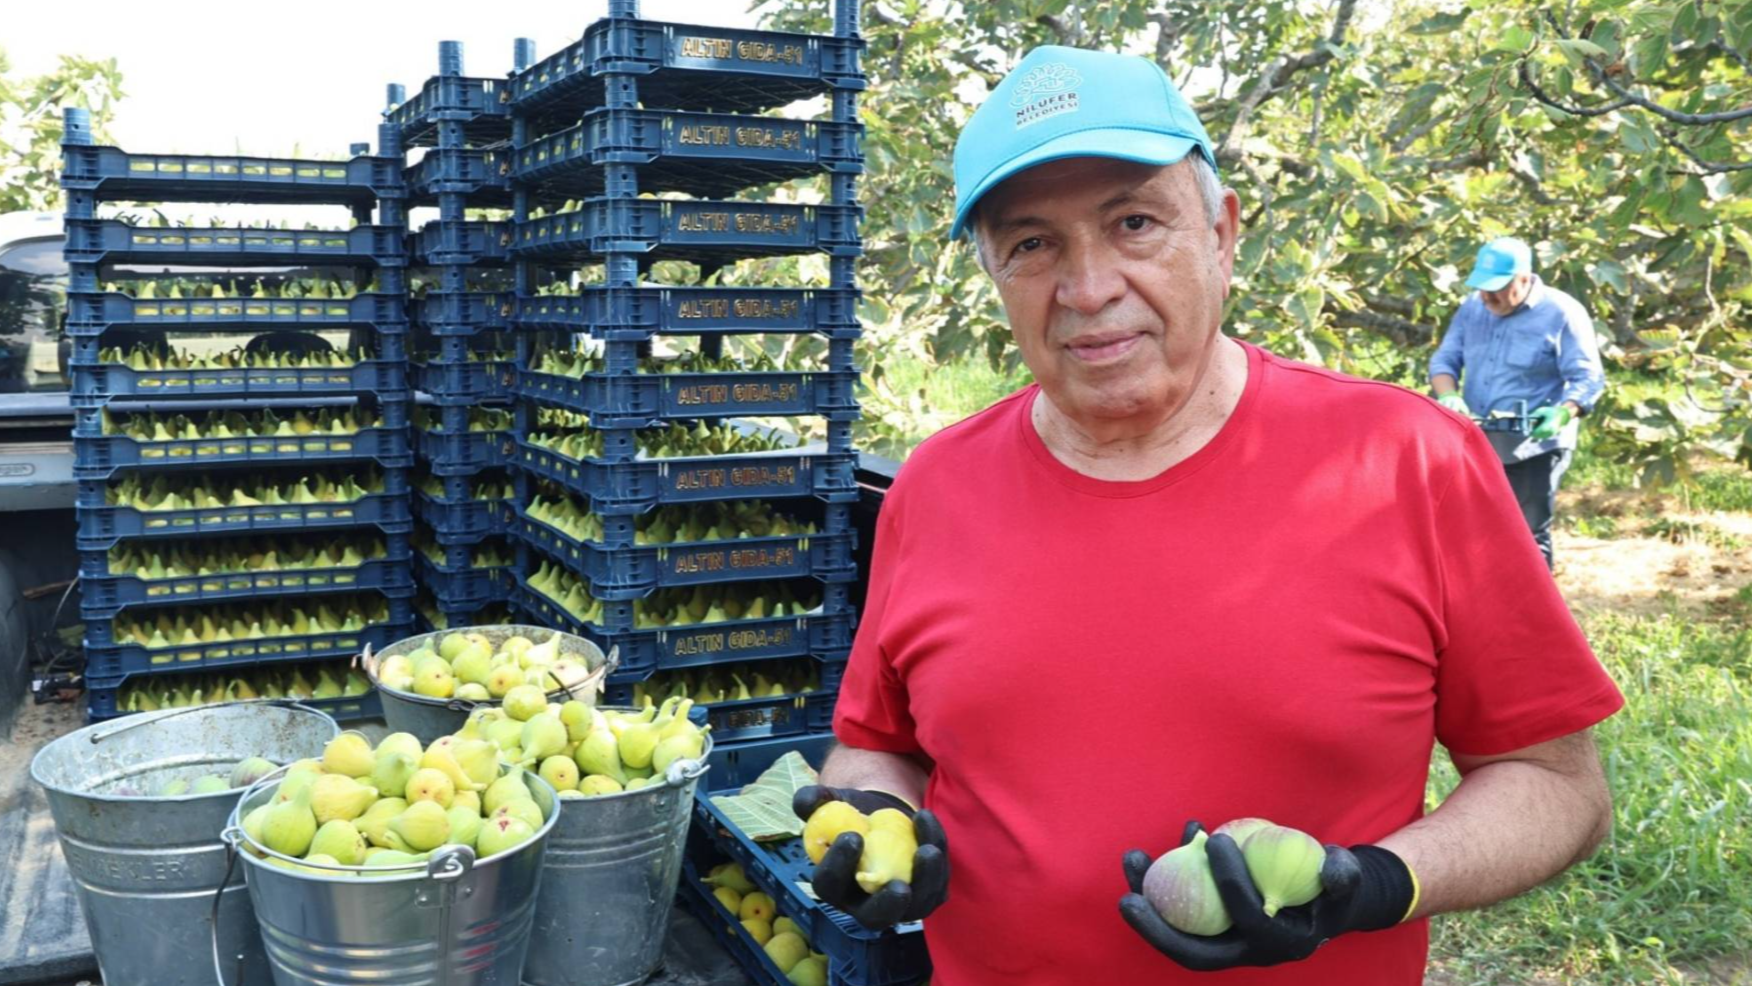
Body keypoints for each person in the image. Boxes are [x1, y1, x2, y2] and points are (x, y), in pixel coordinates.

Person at [790, 45, 1624, 985]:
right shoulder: (936, 486)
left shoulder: (1406, 460)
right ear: (992, 272)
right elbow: (876, 745)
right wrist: (873, 821)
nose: (1089, 287)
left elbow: (1558, 785)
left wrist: (1374, 883)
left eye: (1135, 223)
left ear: (1223, 234)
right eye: (1032, 244)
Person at [1429, 237, 1606, 569]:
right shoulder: (1472, 308)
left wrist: (1562, 413)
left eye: (1497, 288)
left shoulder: (1562, 313)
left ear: (1525, 278)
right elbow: (1445, 361)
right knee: (1470, 531)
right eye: (1482, 287)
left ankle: (1532, 613)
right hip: (1479, 442)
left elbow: (1588, 378)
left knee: (1526, 536)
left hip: (1534, 448)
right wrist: (1448, 395)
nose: (1488, 296)